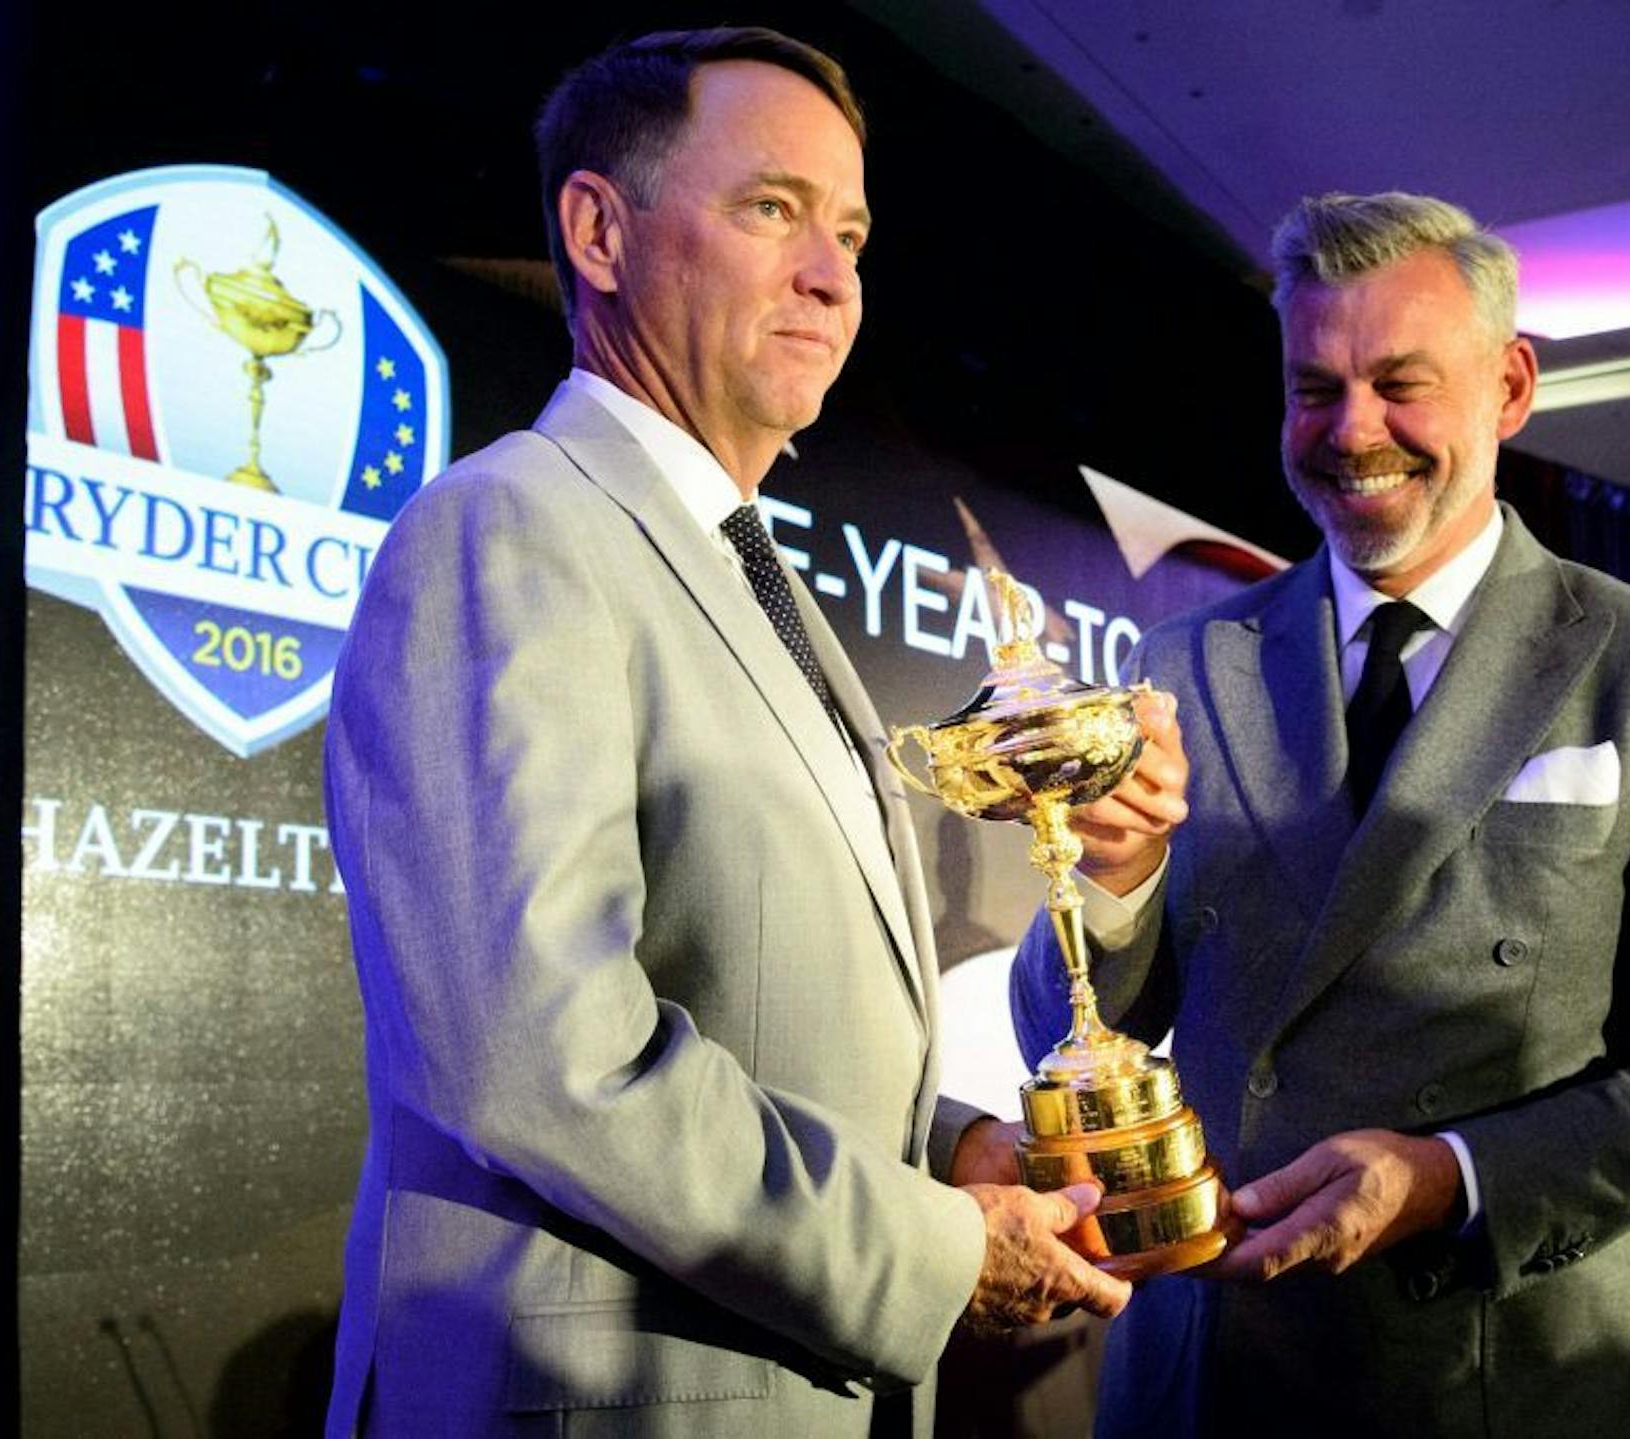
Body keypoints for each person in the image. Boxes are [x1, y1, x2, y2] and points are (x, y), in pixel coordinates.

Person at [323, 27, 1126, 1438]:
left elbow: (757, 1012)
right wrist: (932, 1248)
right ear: (597, 230)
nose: (832, 275)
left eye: (853, 234)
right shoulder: (510, 529)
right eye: (772, 210)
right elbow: (543, 1057)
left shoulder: (754, 575)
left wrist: (949, 1149)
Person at [1010, 190, 1630, 1436]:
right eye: (1313, 389)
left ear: (1508, 387)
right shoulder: (1184, 658)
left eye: (1401, 383)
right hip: (1209, 1375)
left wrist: (1453, 1176)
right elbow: (1062, 1026)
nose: (1353, 432)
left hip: (1512, 1371)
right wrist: (1115, 880)